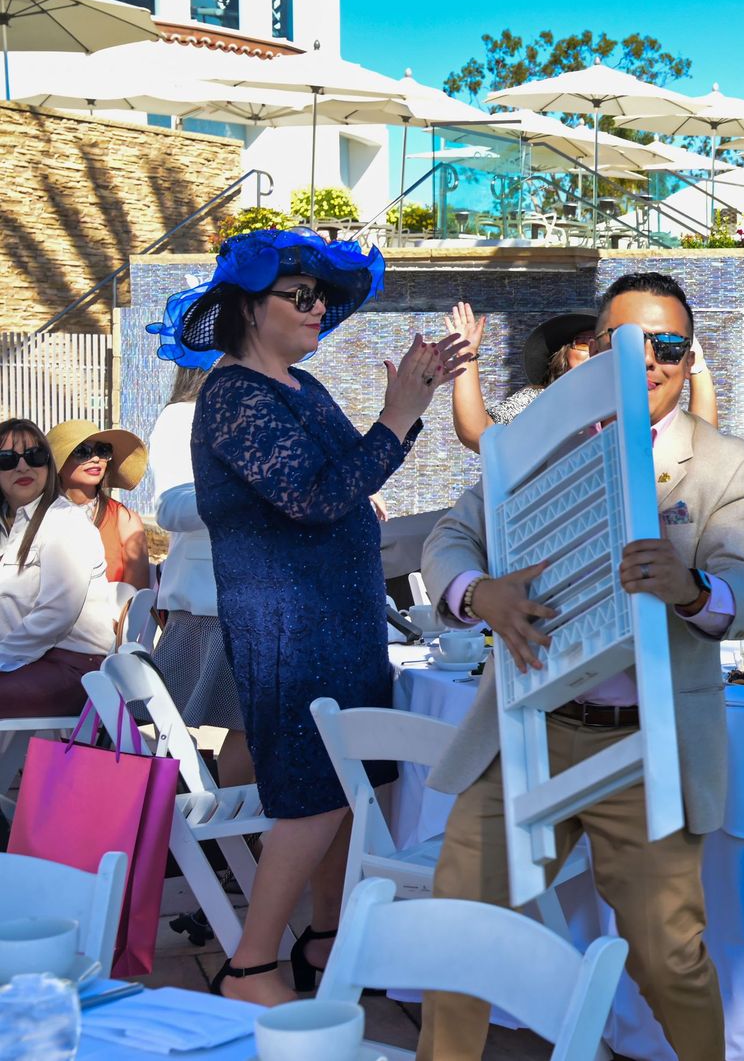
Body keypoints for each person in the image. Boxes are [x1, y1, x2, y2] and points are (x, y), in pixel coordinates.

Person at [416, 271, 744, 1061]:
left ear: (690, 357)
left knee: (669, 960)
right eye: (627, 343)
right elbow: (451, 539)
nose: (648, 361)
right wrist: (480, 594)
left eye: (668, 346)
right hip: (524, 731)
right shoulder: (538, 443)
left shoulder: (728, 466)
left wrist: (692, 587)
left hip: (647, 745)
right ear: (593, 350)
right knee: (459, 936)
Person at [146, 227, 468, 1006]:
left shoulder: (300, 386)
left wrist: (408, 412)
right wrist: (397, 413)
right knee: (313, 792)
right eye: (300, 295)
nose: (318, 307)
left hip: (341, 618)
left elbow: (351, 477)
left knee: (353, 787)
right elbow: (316, 497)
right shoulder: (233, 395)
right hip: (291, 627)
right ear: (249, 307)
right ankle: (251, 966)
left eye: (322, 296)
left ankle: (325, 940)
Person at [144, 364, 253, 788]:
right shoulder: (181, 416)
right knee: (252, 728)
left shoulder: (263, 411)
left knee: (259, 727)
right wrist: (251, 490)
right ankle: (233, 823)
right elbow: (171, 509)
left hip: (257, 601)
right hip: (211, 607)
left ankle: (236, 821)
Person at [444, 303, 720, 452]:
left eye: (608, 343)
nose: (596, 352)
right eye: (585, 343)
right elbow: (478, 434)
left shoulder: (637, 401)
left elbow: (701, 442)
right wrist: (466, 355)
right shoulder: (539, 401)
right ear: (564, 356)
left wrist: (695, 365)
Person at [0, 418, 119, 717]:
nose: (23, 467)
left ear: (49, 464)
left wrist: (2, 657)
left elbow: (57, 613)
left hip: (74, 668)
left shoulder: (65, 521)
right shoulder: (7, 525)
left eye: (35, 456)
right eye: (7, 459)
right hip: (26, 662)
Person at [45, 420, 150, 591]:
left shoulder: (125, 520)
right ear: (59, 463)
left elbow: (135, 596)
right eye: (82, 452)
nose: (95, 459)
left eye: (102, 450)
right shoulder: (36, 516)